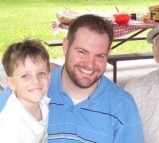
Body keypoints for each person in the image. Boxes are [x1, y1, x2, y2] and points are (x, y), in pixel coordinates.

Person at [0, 14, 143, 142]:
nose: (89, 64)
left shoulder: (123, 107)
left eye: (100, 56)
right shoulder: (31, 89)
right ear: (66, 46)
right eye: (82, 52)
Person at [0, 39, 51, 142]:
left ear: (49, 77)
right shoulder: (11, 127)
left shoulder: (43, 101)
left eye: (41, 73)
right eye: (25, 76)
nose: (36, 81)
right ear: (11, 83)